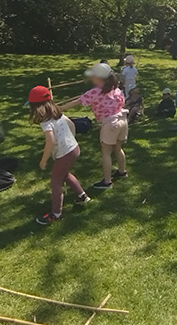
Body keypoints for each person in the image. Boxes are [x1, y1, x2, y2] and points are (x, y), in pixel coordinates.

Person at [28, 86, 90, 225]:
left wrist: (43, 161)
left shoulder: (46, 122)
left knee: (55, 182)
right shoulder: (58, 114)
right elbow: (71, 125)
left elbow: (50, 141)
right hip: (74, 148)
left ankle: (56, 214)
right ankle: (82, 196)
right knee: (65, 174)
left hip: (65, 154)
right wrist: (71, 139)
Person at [61, 62, 128, 190]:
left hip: (110, 123)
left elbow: (78, 102)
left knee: (106, 152)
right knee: (118, 148)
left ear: (99, 78)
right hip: (122, 120)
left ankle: (107, 182)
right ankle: (121, 171)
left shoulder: (94, 92)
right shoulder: (116, 89)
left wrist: (61, 108)